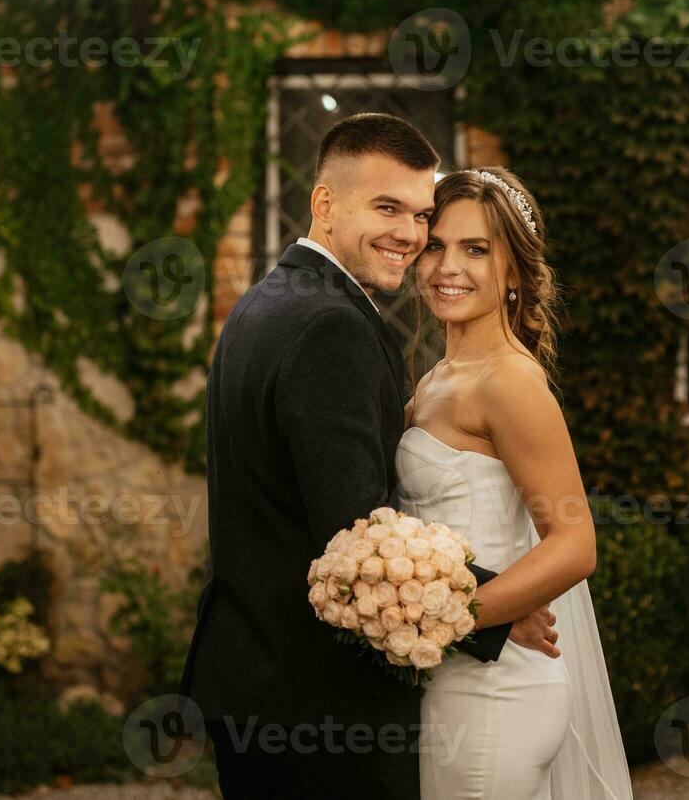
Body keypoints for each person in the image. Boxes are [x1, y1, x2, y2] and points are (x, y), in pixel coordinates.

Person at [178, 113, 559, 800]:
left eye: (420, 214)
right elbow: (355, 531)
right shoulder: (330, 326)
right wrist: (482, 608)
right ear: (325, 203)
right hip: (318, 699)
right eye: (388, 208)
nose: (410, 236)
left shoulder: (264, 302)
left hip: (257, 680)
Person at [400, 166, 632, 799]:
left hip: (497, 690)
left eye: (476, 249)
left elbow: (575, 542)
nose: (449, 266)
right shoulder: (439, 378)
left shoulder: (507, 382)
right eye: (437, 245)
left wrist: (453, 614)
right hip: (455, 678)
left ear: (513, 274)